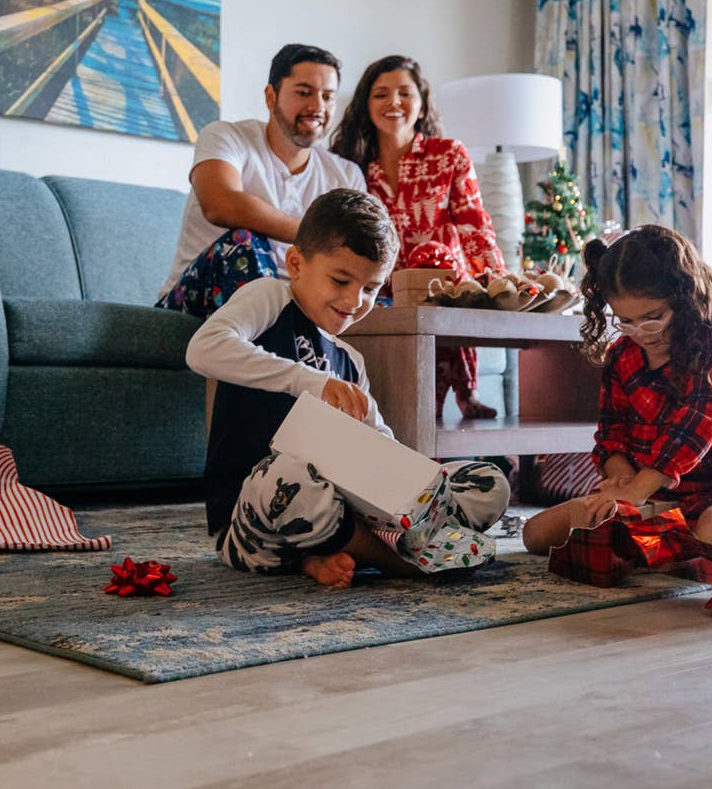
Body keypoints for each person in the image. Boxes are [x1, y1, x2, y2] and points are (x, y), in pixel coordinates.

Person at [185, 188, 509, 587]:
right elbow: (202, 349)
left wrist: (418, 484)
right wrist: (310, 381)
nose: (355, 300)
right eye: (340, 280)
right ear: (297, 263)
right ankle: (398, 560)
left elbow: (381, 449)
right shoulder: (271, 298)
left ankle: (332, 552)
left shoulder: (350, 361)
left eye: (371, 289)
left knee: (487, 481)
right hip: (253, 521)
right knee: (288, 475)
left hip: (340, 513)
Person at [522, 224, 712, 557]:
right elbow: (611, 436)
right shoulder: (621, 356)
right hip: (646, 497)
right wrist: (624, 487)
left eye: (653, 317)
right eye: (625, 320)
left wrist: (637, 489)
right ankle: (660, 544)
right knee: (535, 534)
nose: (640, 332)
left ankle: (662, 545)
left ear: (684, 299)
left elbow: (695, 429)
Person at [330, 55, 506, 421]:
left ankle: (459, 397)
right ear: (366, 105)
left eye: (404, 93)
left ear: (422, 102)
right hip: (383, 292)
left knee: (434, 268)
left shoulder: (449, 156)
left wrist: (498, 284)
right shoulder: (352, 166)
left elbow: (475, 225)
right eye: (381, 94)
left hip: (443, 287)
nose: (394, 103)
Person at [157, 43, 365, 318]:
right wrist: (319, 235)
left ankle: (293, 344)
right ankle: (287, 345)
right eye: (304, 93)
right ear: (271, 96)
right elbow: (219, 203)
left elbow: (355, 251)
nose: (317, 106)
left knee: (378, 305)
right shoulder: (226, 137)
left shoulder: (346, 174)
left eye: (328, 96)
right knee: (243, 243)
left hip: (292, 305)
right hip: (196, 299)